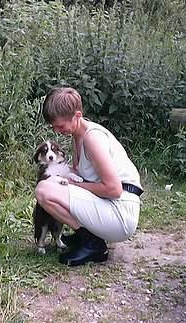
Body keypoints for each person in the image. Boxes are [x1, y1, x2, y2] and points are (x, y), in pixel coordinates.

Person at [35, 87, 143, 266]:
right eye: (53, 126)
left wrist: (71, 185)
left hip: (120, 212)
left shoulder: (92, 139)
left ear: (77, 115)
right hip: (110, 205)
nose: (56, 130)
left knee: (44, 191)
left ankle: (93, 244)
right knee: (50, 185)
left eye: (60, 126)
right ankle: (85, 236)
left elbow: (114, 189)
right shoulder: (77, 136)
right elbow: (79, 173)